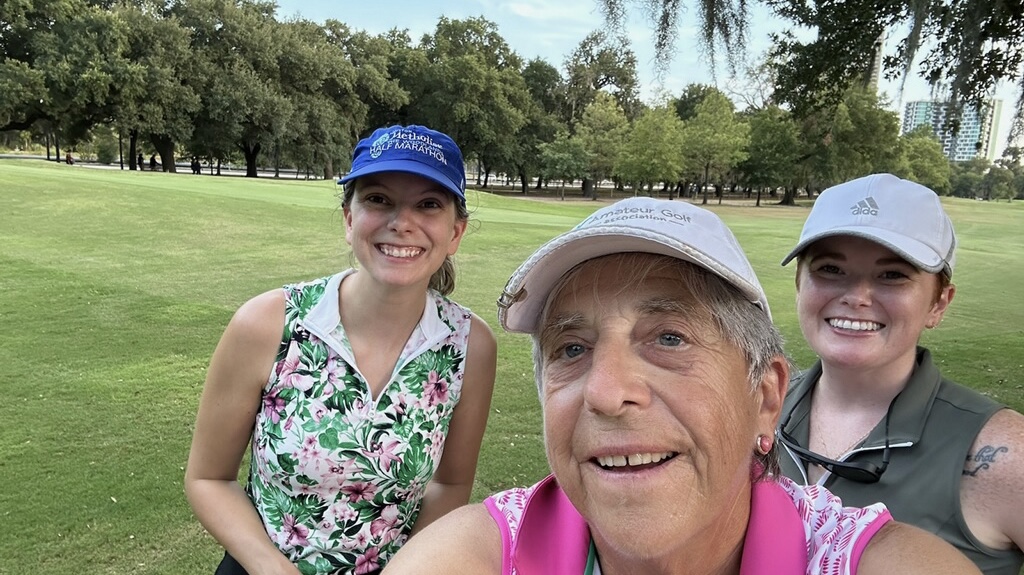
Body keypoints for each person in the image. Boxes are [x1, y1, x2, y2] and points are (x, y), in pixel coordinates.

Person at [382, 197, 980, 575]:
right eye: (572, 349)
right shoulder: (479, 555)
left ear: (766, 399)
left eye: (669, 339)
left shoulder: (871, 562)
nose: (606, 392)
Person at [185, 124, 497, 575]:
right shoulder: (269, 324)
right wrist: (271, 567)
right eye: (378, 199)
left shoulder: (470, 344)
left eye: (428, 204)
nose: (402, 222)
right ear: (350, 219)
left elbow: (449, 484)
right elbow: (208, 478)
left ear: (455, 233)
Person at [777, 173, 1024, 574]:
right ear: (799, 285)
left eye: (892, 275)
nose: (856, 297)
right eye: (829, 269)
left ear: (938, 303)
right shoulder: (756, 413)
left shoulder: (1004, 453)